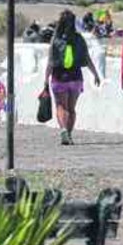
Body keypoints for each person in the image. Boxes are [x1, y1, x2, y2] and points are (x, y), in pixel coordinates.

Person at [44, 10, 101, 146]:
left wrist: (45, 79)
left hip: (59, 77)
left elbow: (51, 62)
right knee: (71, 108)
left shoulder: (56, 39)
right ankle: (69, 134)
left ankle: (63, 129)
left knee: (60, 106)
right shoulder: (79, 38)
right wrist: (96, 74)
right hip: (76, 77)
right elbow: (87, 59)